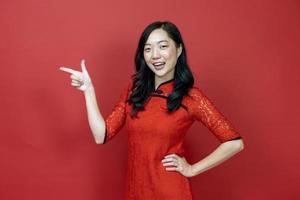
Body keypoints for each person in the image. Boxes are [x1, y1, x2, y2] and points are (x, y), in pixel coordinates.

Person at [59, 21, 244, 200]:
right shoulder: (135, 90)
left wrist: (192, 169)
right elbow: (102, 135)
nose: (155, 55)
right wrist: (89, 90)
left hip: (170, 191)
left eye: (163, 46)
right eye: (148, 49)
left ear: (178, 50)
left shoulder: (192, 97)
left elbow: (235, 142)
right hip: (136, 191)